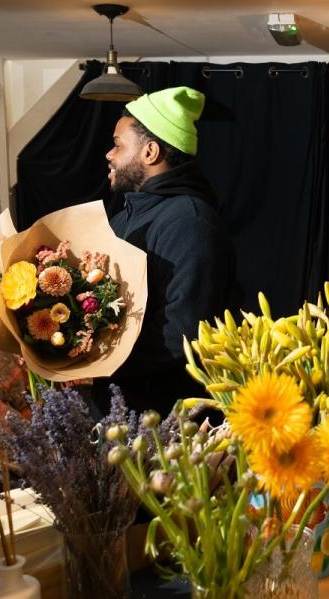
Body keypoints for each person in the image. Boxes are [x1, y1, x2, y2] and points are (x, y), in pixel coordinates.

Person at [98, 86, 235, 414]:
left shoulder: (191, 223)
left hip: (161, 418)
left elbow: (182, 333)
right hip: (118, 405)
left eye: (118, 145)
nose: (109, 154)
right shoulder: (124, 215)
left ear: (150, 152)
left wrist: (99, 363)